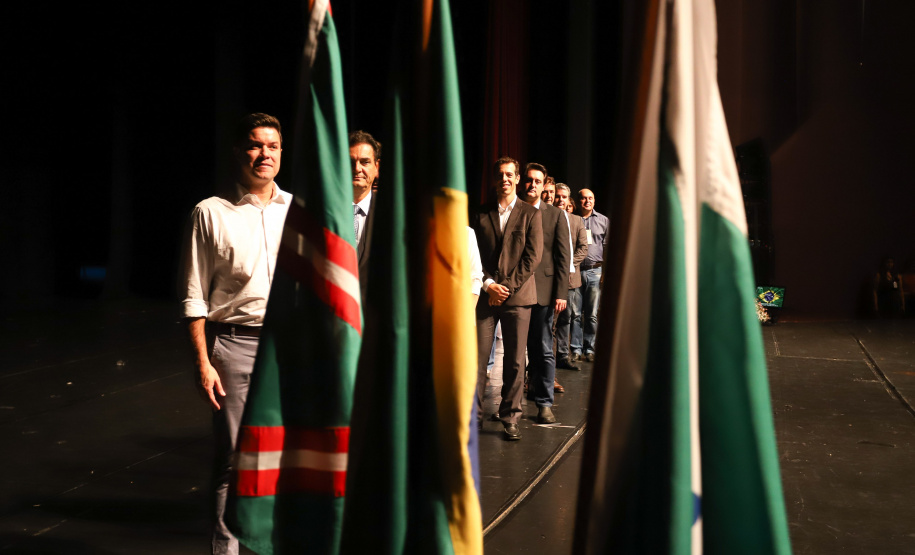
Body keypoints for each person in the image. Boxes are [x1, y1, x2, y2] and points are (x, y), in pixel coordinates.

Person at [180, 113, 291, 555]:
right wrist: (203, 361)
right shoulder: (210, 212)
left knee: (286, 459)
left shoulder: (297, 210)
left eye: (273, 146)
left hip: (289, 347)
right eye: (255, 145)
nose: (264, 154)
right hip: (234, 346)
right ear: (239, 151)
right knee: (234, 461)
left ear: (281, 153)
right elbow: (194, 296)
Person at [472, 156, 543, 440]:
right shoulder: (480, 213)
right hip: (486, 295)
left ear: (516, 179)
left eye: (509, 174)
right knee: (477, 360)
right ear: (495, 179)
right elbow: (473, 254)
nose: (505, 179)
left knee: (514, 361)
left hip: (518, 296)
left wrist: (507, 288)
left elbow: (532, 257)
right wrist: (489, 284)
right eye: (500, 174)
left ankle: (510, 416)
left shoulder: (531, 214)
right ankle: (473, 418)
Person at [520, 163, 569, 424]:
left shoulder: (555, 215)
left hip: (544, 292)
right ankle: (513, 403)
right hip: (516, 290)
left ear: (543, 184)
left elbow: (563, 257)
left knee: (542, 348)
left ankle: (544, 403)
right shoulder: (514, 209)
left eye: (537, 181)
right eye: (528, 180)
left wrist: (561, 292)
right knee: (517, 351)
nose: (532, 185)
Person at [554, 183, 589, 369]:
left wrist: (567, 265)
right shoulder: (546, 216)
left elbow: (583, 248)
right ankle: (549, 357)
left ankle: (562, 355)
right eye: (557, 196)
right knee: (549, 320)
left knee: (566, 319)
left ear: (569, 200)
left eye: (564, 197)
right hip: (550, 278)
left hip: (570, 278)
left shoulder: (576, 221)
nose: (560, 200)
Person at [576, 188, 609, 362]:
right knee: (574, 314)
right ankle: (575, 349)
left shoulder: (603, 221)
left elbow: (607, 248)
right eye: (583, 198)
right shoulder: (571, 219)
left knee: (592, 314)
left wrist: (604, 272)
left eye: (590, 198)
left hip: (595, 271)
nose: (587, 201)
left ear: (594, 201)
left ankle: (589, 349)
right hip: (575, 271)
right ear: (578, 201)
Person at [349, 130, 380, 301]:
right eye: (351, 161)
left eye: (365, 162)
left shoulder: (389, 215)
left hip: (375, 315)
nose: (357, 168)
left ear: (377, 167)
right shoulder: (324, 213)